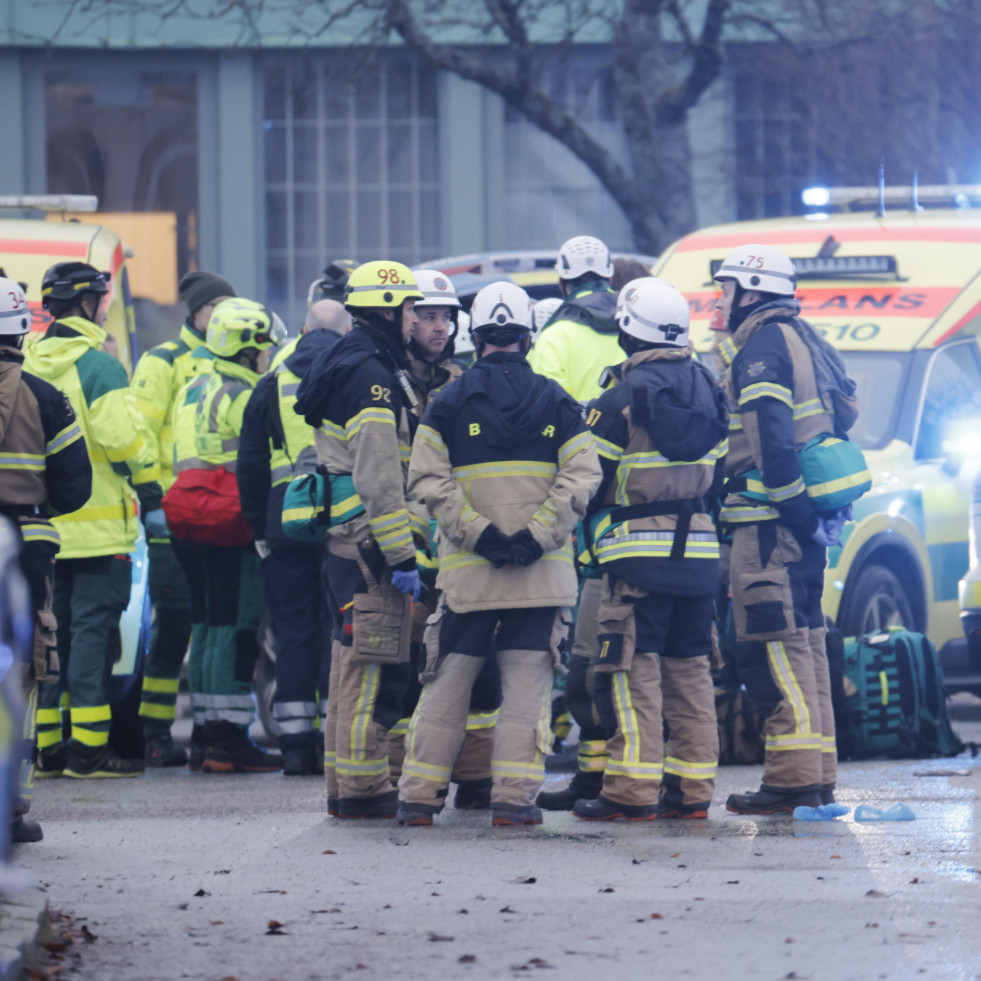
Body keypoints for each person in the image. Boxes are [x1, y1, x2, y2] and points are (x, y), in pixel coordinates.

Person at [396, 280, 602, 828]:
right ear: (528, 335)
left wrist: (478, 535)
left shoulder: (447, 403)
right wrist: (536, 536)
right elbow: (584, 476)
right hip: (540, 575)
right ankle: (513, 801)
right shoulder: (560, 401)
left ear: (475, 334)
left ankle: (417, 798)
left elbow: (426, 479)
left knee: (447, 684)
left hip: (469, 577)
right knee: (526, 688)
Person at [567, 278, 728, 821]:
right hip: (701, 556)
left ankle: (630, 793)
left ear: (626, 331)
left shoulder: (619, 399)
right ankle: (691, 792)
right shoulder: (710, 389)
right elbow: (721, 478)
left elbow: (589, 480)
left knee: (634, 673)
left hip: (636, 559)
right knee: (690, 673)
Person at [294, 260, 425, 819]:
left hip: (345, 544)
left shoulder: (348, 359)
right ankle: (365, 789)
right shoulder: (372, 375)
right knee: (373, 670)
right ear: (389, 309)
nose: (417, 319)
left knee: (349, 667)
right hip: (371, 547)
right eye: (412, 308)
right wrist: (402, 555)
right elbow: (378, 477)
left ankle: (343, 786)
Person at [713, 244, 840, 814]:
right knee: (808, 645)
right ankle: (818, 774)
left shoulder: (761, 347)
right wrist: (813, 519)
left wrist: (795, 512)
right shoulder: (805, 337)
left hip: (771, 527)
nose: (722, 301)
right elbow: (847, 409)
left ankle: (790, 782)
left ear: (752, 291)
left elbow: (770, 438)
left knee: (778, 649)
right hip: (802, 529)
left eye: (727, 290)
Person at [25, 262, 164, 779]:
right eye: (102, 300)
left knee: (47, 638)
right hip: (100, 531)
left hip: (43, 529)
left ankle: (48, 751)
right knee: (90, 638)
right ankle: (88, 753)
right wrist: (151, 489)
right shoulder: (100, 367)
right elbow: (123, 444)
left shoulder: (28, 361)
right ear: (87, 305)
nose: (105, 308)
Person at [389, 269, 500, 811]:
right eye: (428, 316)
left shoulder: (464, 382)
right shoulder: (384, 380)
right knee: (408, 669)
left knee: (477, 663)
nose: (439, 327)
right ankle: (405, 778)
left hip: (458, 539)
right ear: (404, 319)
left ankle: (477, 776)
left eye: (446, 317)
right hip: (405, 546)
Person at [167, 297, 285, 773]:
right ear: (247, 347)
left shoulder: (193, 385)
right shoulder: (246, 395)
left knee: (207, 627)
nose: (267, 356)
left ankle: (204, 733)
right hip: (229, 520)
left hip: (187, 519)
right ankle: (229, 739)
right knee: (237, 629)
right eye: (263, 348)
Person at [237, 298, 351, 775]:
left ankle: (297, 746)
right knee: (339, 631)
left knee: (292, 633)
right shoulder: (355, 376)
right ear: (344, 332)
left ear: (303, 331)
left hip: (284, 524)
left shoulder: (271, 383)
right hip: (343, 517)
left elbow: (251, 466)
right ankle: (337, 739)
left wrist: (258, 527)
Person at [131, 270, 235, 767]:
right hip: (176, 513)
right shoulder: (164, 362)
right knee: (173, 624)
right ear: (195, 313)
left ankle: (209, 730)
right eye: (215, 307)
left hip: (222, 515)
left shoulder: (232, 360)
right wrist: (153, 499)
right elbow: (141, 433)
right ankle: (155, 731)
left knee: (215, 622)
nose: (222, 316)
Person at [0, 277, 91, 838]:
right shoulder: (44, 395)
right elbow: (75, 486)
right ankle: (11, 808)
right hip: (23, 552)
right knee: (20, 673)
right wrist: (31, 507)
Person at [527, 235, 620, 402]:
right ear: (610, 279)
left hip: (578, 428)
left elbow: (549, 406)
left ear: (561, 284)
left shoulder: (553, 336)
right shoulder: (637, 327)